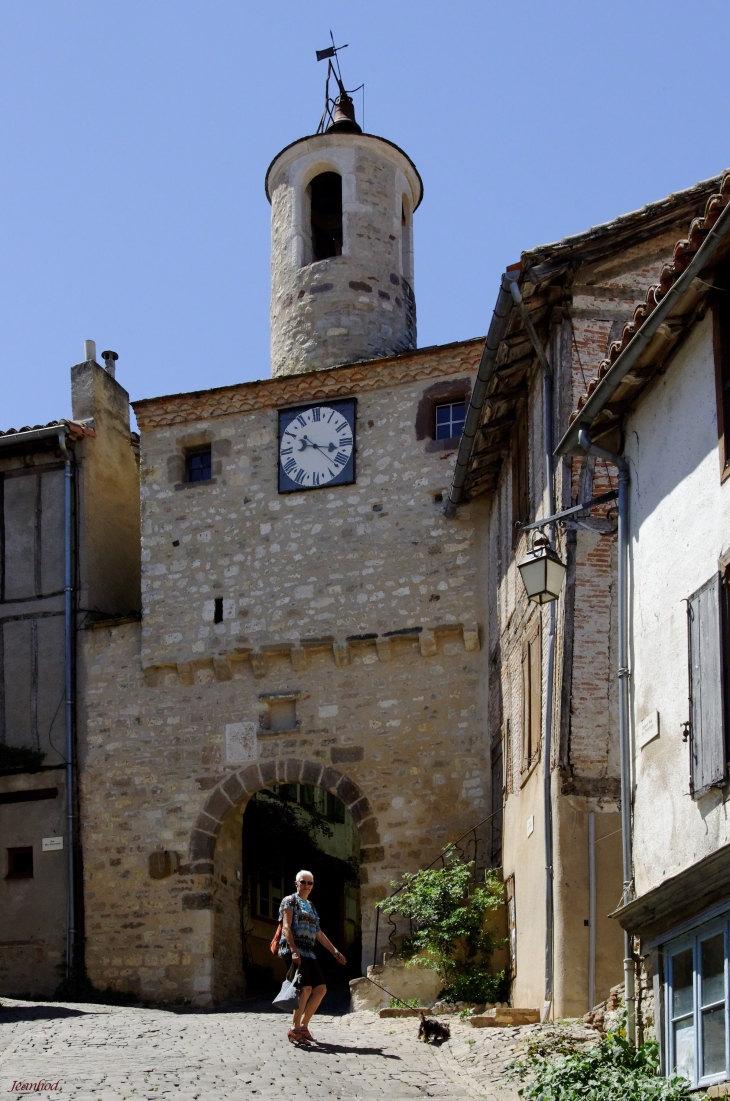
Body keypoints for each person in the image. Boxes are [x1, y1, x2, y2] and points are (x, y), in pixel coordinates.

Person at [279, 869, 346, 1044]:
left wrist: (335, 952)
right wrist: (293, 950)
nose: (306, 886)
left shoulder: (311, 906)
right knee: (306, 988)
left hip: (308, 951)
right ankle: (294, 1029)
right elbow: (286, 927)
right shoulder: (289, 901)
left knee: (321, 989)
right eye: (303, 882)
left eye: (310, 883)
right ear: (296, 884)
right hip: (293, 949)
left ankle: (303, 1026)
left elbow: (318, 932)